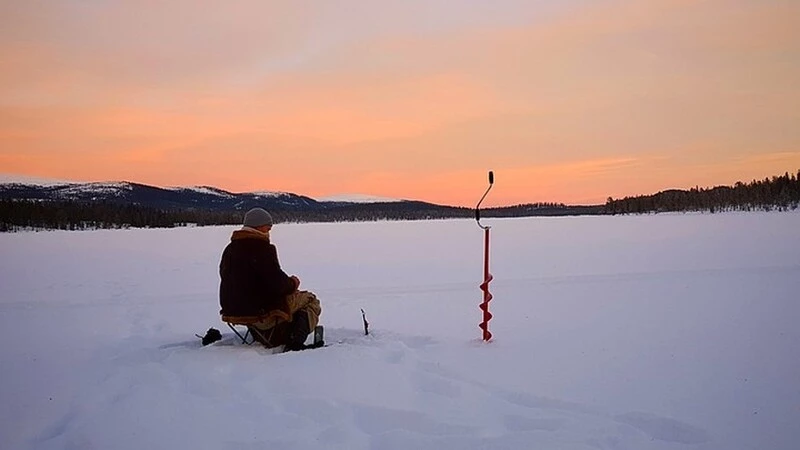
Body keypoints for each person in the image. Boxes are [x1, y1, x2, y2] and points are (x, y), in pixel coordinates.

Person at [219, 207, 322, 350]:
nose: (269, 232)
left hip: (235, 309)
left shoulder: (230, 249)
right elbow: (278, 285)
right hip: (261, 311)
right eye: (268, 228)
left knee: (295, 298)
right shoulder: (262, 248)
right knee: (310, 299)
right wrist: (293, 283)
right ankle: (295, 342)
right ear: (259, 226)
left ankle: (268, 334)